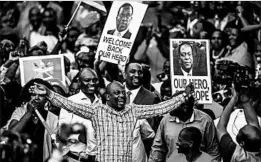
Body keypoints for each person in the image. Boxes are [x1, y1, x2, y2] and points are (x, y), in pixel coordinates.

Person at [30, 80, 194, 162]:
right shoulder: (97, 111)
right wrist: (49, 94)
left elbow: (160, 108)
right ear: (107, 97)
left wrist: (183, 97)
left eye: (123, 93)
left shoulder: (133, 110)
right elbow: (69, 105)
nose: (121, 95)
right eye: (116, 93)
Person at [149, 93, 220, 162]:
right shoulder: (165, 120)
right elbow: (158, 148)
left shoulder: (205, 120)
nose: (170, 108)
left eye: (173, 106)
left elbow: (212, 149)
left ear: (185, 108)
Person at [5, 78, 58, 162]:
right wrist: (29, 113)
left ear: (46, 99)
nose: (36, 98)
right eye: (33, 94)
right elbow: (12, 133)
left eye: (41, 95)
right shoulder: (20, 111)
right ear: (28, 96)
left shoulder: (53, 118)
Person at [58, 68, 100, 162]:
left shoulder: (103, 104)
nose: (92, 83)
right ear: (79, 82)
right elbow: (62, 131)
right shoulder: (70, 102)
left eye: (94, 80)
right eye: (87, 80)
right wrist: (78, 137)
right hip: (75, 159)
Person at [217, 84, 261, 162]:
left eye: (240, 131)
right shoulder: (257, 149)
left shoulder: (235, 154)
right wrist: (244, 98)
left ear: (242, 143)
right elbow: (253, 122)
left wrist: (233, 100)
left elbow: (221, 127)